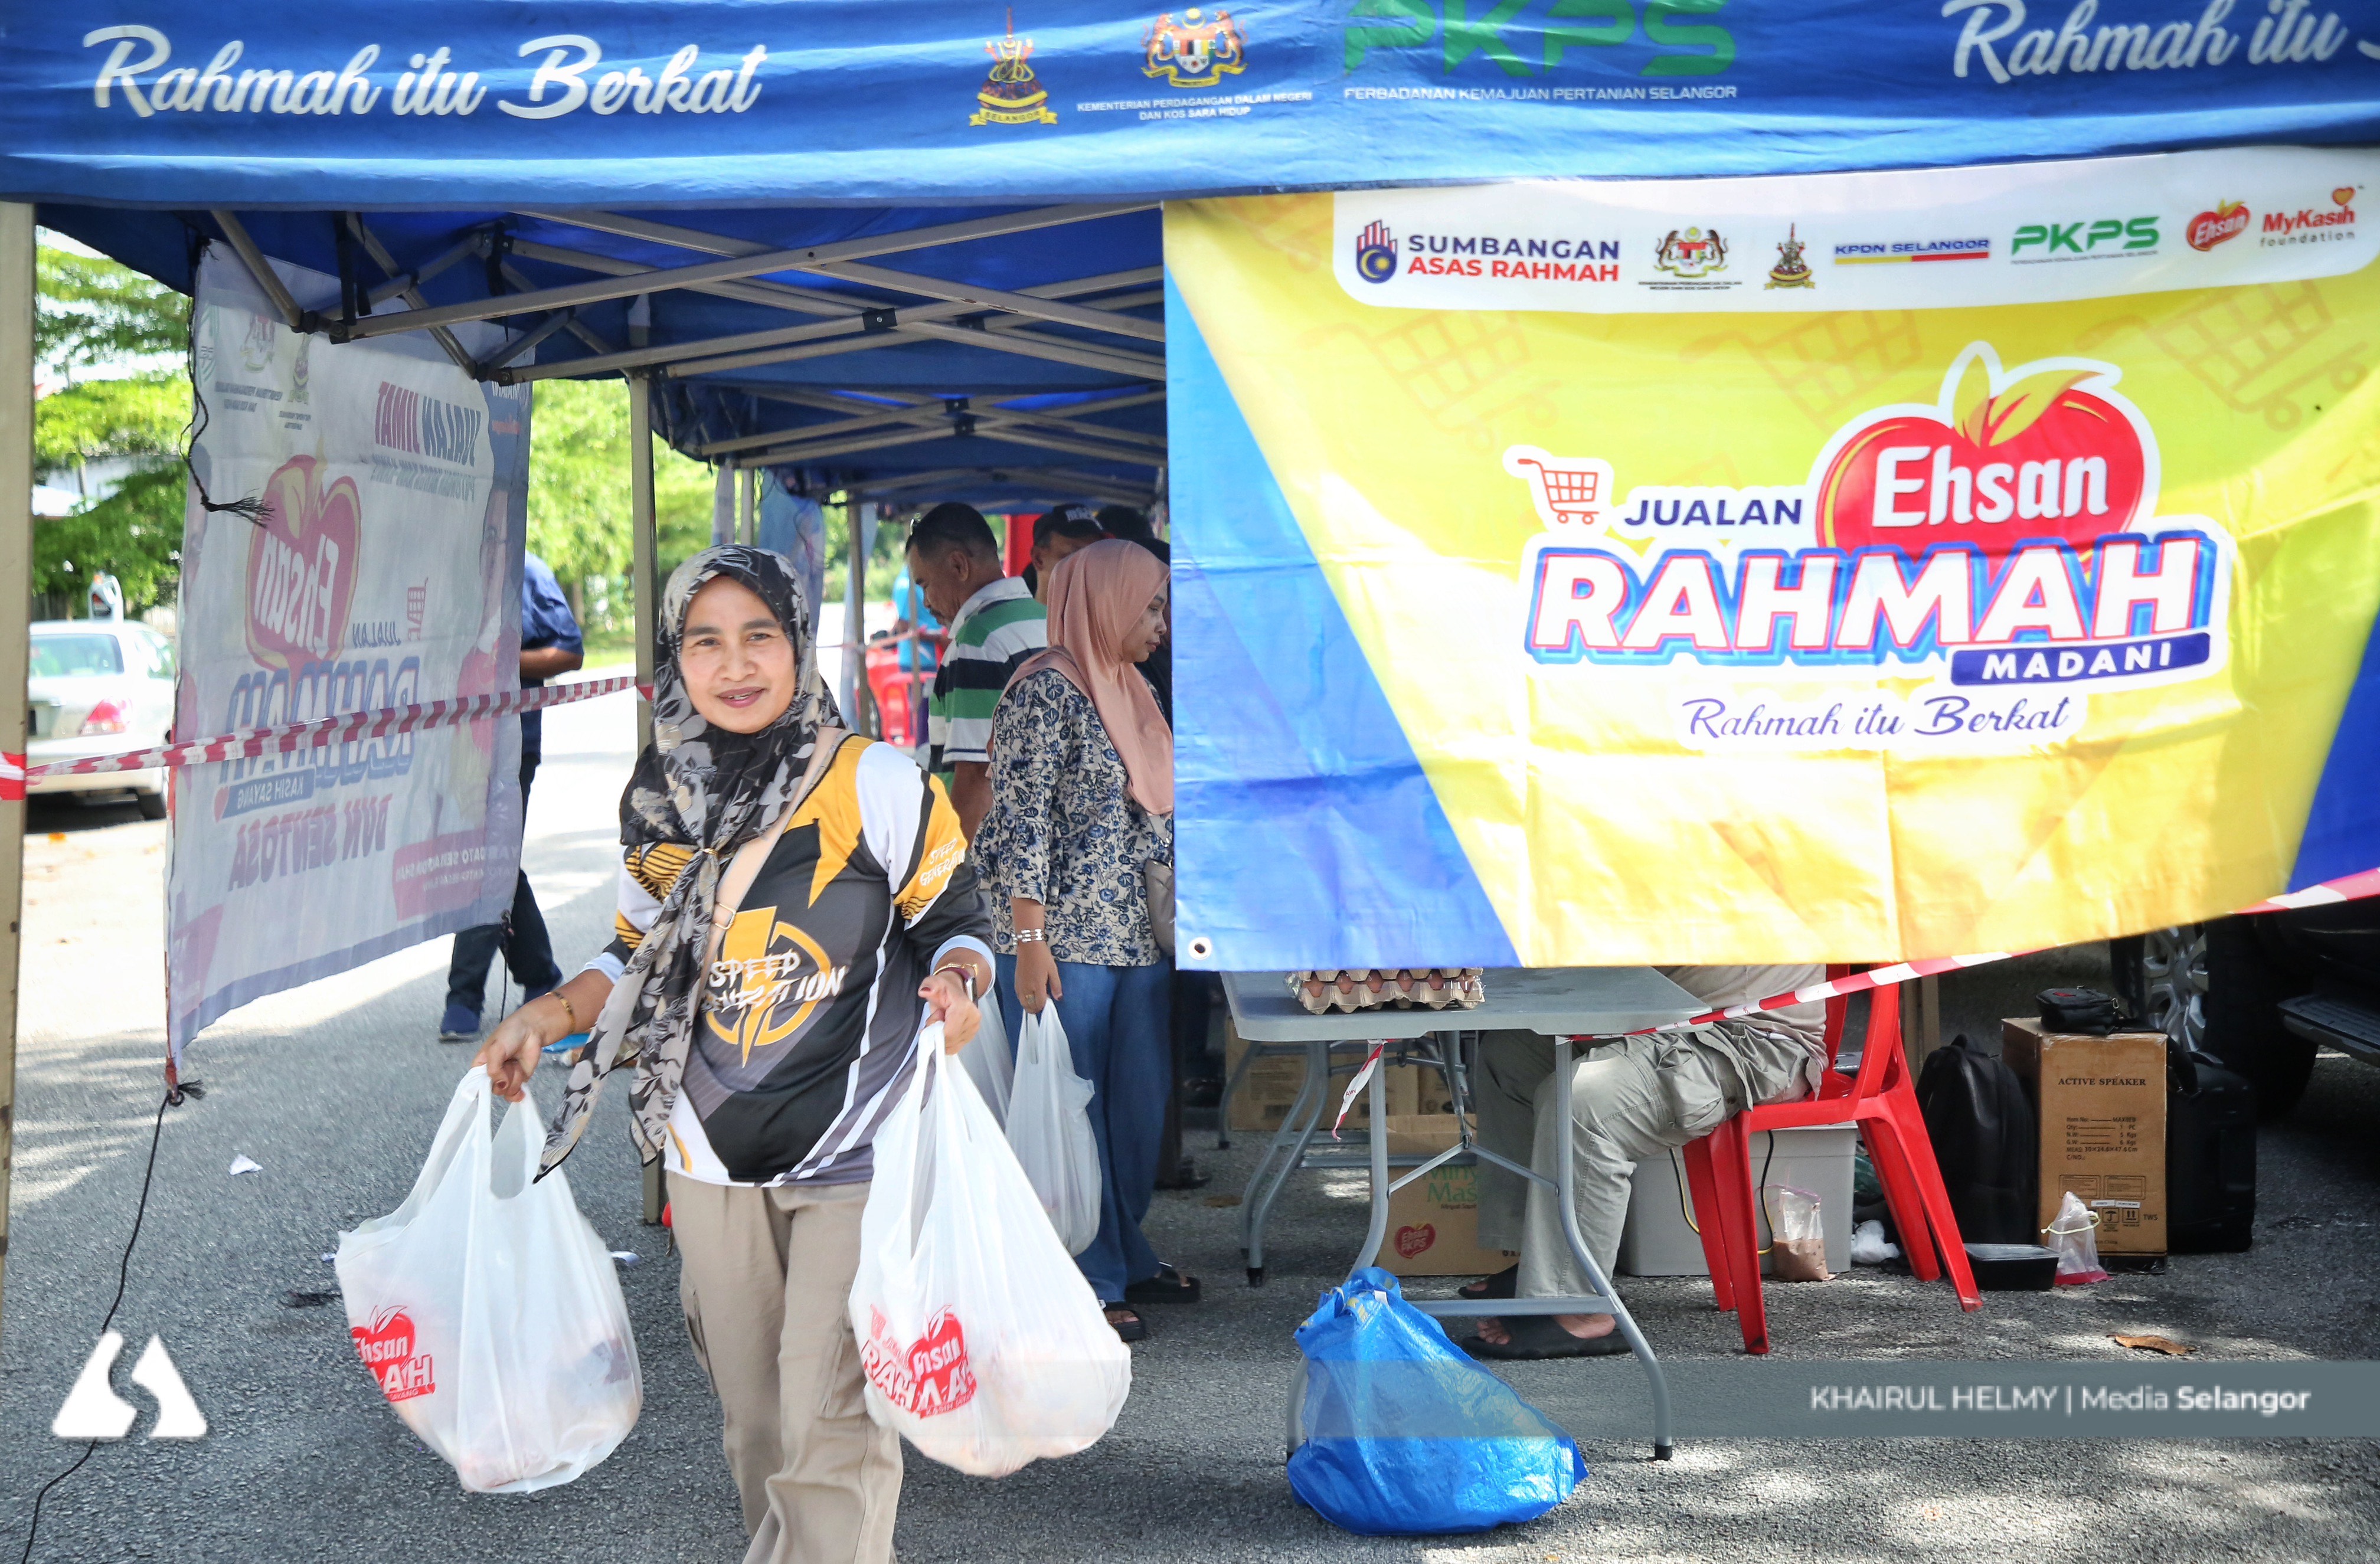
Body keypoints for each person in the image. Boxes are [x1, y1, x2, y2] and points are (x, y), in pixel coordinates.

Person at [475, 547, 993, 1564]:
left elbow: (958, 922)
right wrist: (544, 1017)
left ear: (798, 645)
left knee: (829, 1423)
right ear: (675, 657)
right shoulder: (660, 802)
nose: (736, 663)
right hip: (707, 1156)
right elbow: (632, 952)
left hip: (856, 1153)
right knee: (759, 1429)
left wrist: (960, 984)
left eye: (760, 635)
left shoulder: (875, 783)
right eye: (705, 640)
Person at [975, 539, 1189, 1342]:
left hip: (1135, 938)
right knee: (1078, 1111)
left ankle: (1128, 1249)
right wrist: (1029, 941)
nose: (1161, 624)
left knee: (1138, 1107)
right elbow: (1023, 820)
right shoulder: (1046, 690)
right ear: (1107, 601)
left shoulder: (1129, 687)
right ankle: (1088, 1273)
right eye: (1151, 605)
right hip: (1064, 941)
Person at [1462, 964, 1827, 1359]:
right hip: (1655, 1022)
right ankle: (1537, 1262)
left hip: (1745, 1036)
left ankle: (1580, 1308)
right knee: (1510, 1055)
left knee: (1585, 1101)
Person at [438, 549, 583, 1041]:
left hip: (509, 742)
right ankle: (540, 974)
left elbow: (569, 650)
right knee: (492, 861)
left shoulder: (523, 568)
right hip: (447, 743)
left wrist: (495, 663)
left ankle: (465, 996)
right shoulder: (432, 567)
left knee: (486, 859)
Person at [903, 502, 1047, 838]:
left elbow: (976, 777)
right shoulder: (1043, 618)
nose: (926, 602)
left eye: (925, 584)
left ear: (958, 565)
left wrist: (949, 872)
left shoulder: (976, 643)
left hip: (994, 861)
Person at [885, 564, 940, 748]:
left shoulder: (908, 578)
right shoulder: (908, 583)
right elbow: (904, 624)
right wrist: (937, 636)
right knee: (923, 716)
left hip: (927, 656)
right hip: (922, 659)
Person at [1019, 503, 1107, 599]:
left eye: (1097, 553)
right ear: (1038, 558)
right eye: (1076, 555)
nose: (1090, 565)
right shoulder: (1019, 614)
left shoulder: (1113, 613)